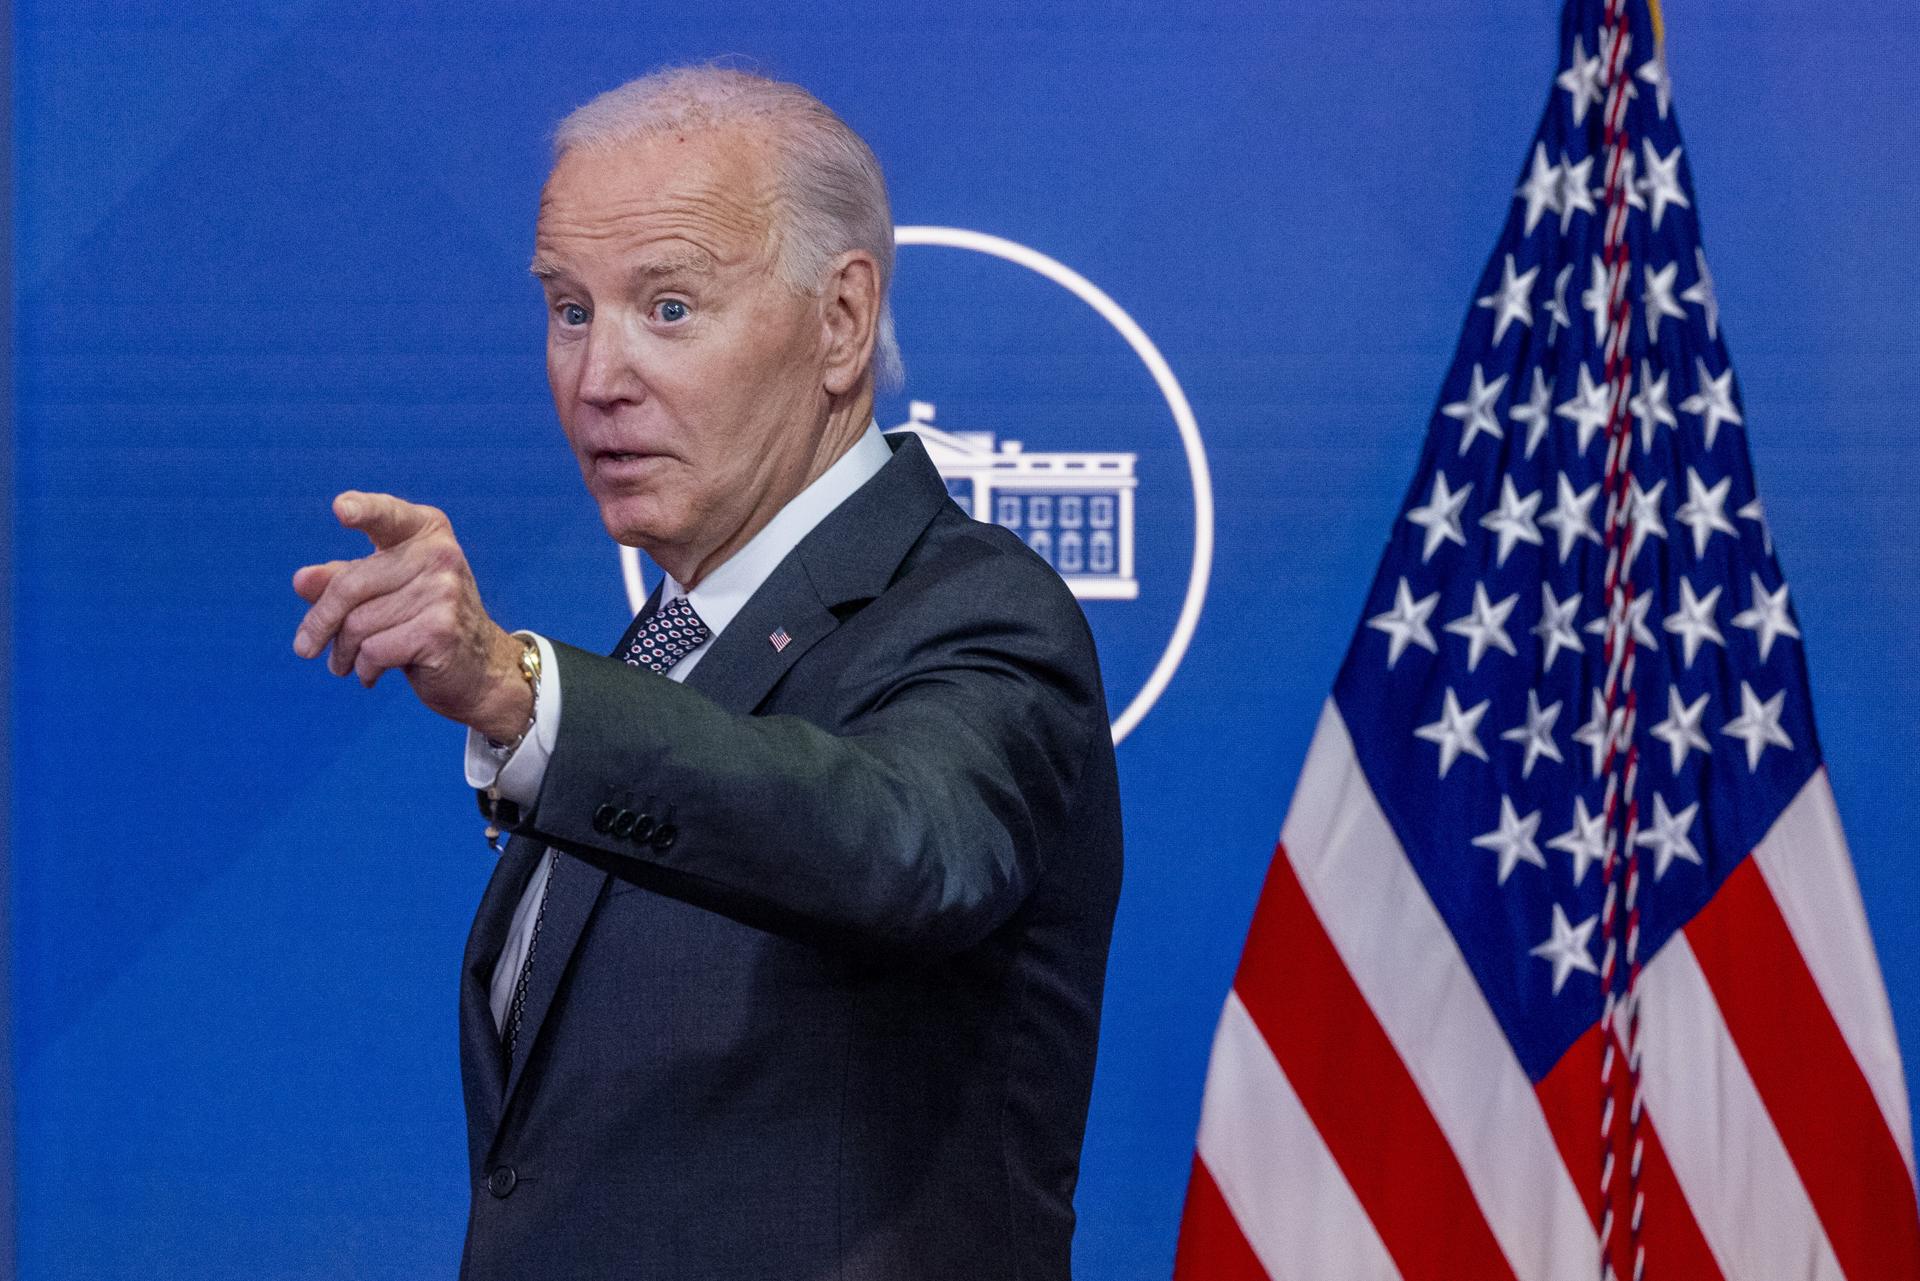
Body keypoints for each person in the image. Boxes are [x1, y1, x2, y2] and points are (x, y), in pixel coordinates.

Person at [291, 66, 1122, 1281]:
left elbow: (906, 848)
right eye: (570, 310)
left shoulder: (979, 611)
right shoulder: (675, 647)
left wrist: (525, 695)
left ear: (839, 323)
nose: (598, 375)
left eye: (668, 308)